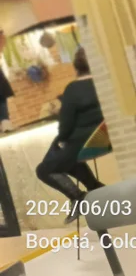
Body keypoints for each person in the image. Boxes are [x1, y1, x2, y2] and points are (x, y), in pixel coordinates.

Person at [35, 47, 105, 223]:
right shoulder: (104, 82)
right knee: (62, 155)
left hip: (88, 140)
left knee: (43, 169)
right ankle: (95, 188)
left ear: (77, 68)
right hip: (102, 137)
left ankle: (79, 197)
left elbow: (66, 124)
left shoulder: (75, 88)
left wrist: (63, 139)